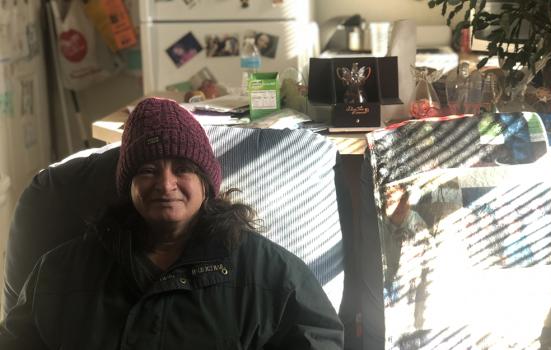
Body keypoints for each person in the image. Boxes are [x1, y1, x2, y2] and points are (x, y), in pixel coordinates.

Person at [0, 97, 344, 349]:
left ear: (207, 184)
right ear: (129, 186)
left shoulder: (270, 273)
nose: (165, 185)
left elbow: (318, 340)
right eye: (148, 170)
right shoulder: (61, 272)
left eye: (182, 169)